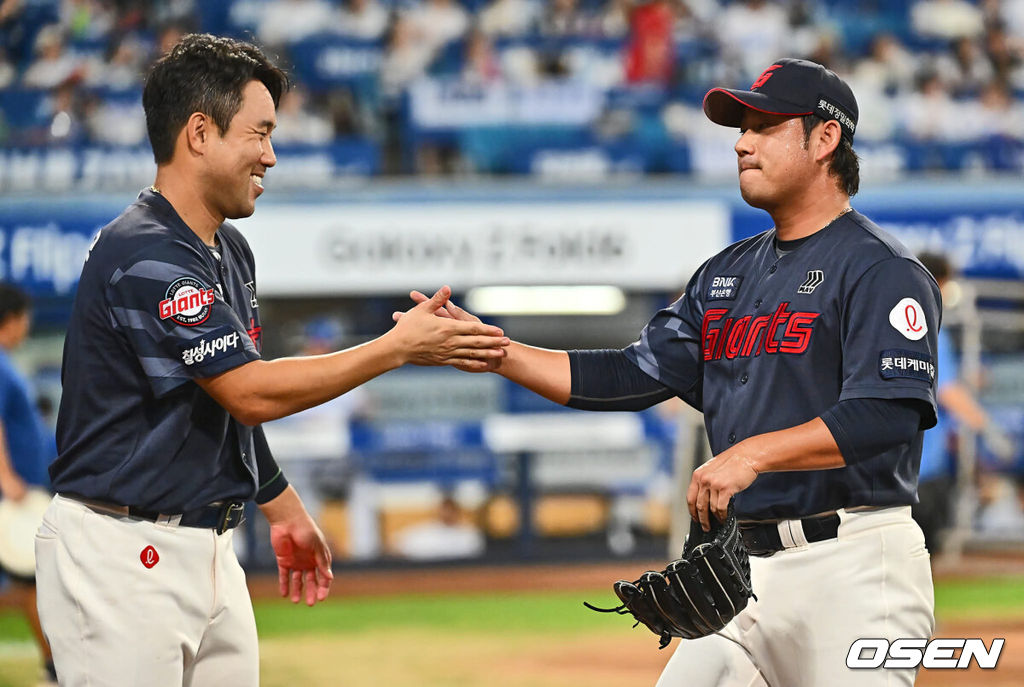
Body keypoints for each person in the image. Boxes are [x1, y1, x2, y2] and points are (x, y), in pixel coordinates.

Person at [400, 58, 941, 686]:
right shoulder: (725, 274)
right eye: (740, 128)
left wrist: (752, 455)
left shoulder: (880, 269)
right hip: (744, 576)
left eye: (764, 126)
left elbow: (888, 413)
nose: (741, 142)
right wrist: (494, 350)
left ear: (825, 139)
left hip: (853, 566)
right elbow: (633, 373)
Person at [36, 33, 508, 687]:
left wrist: (279, 503)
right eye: (258, 133)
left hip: (209, 547)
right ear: (199, 132)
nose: (272, 154)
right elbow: (250, 392)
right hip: (120, 551)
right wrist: (396, 347)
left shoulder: (229, 251)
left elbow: (219, 405)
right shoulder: (143, 251)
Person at [914, 252, 1015, 553]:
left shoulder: (899, 319)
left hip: (900, 463)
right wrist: (987, 427)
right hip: (921, 466)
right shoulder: (927, 323)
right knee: (922, 556)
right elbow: (946, 391)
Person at [0, 284, 56, 686]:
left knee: (32, 579)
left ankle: (55, 664)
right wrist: (6, 477)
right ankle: (55, 666)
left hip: (19, 493)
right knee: (34, 578)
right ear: (14, 318)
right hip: (12, 495)